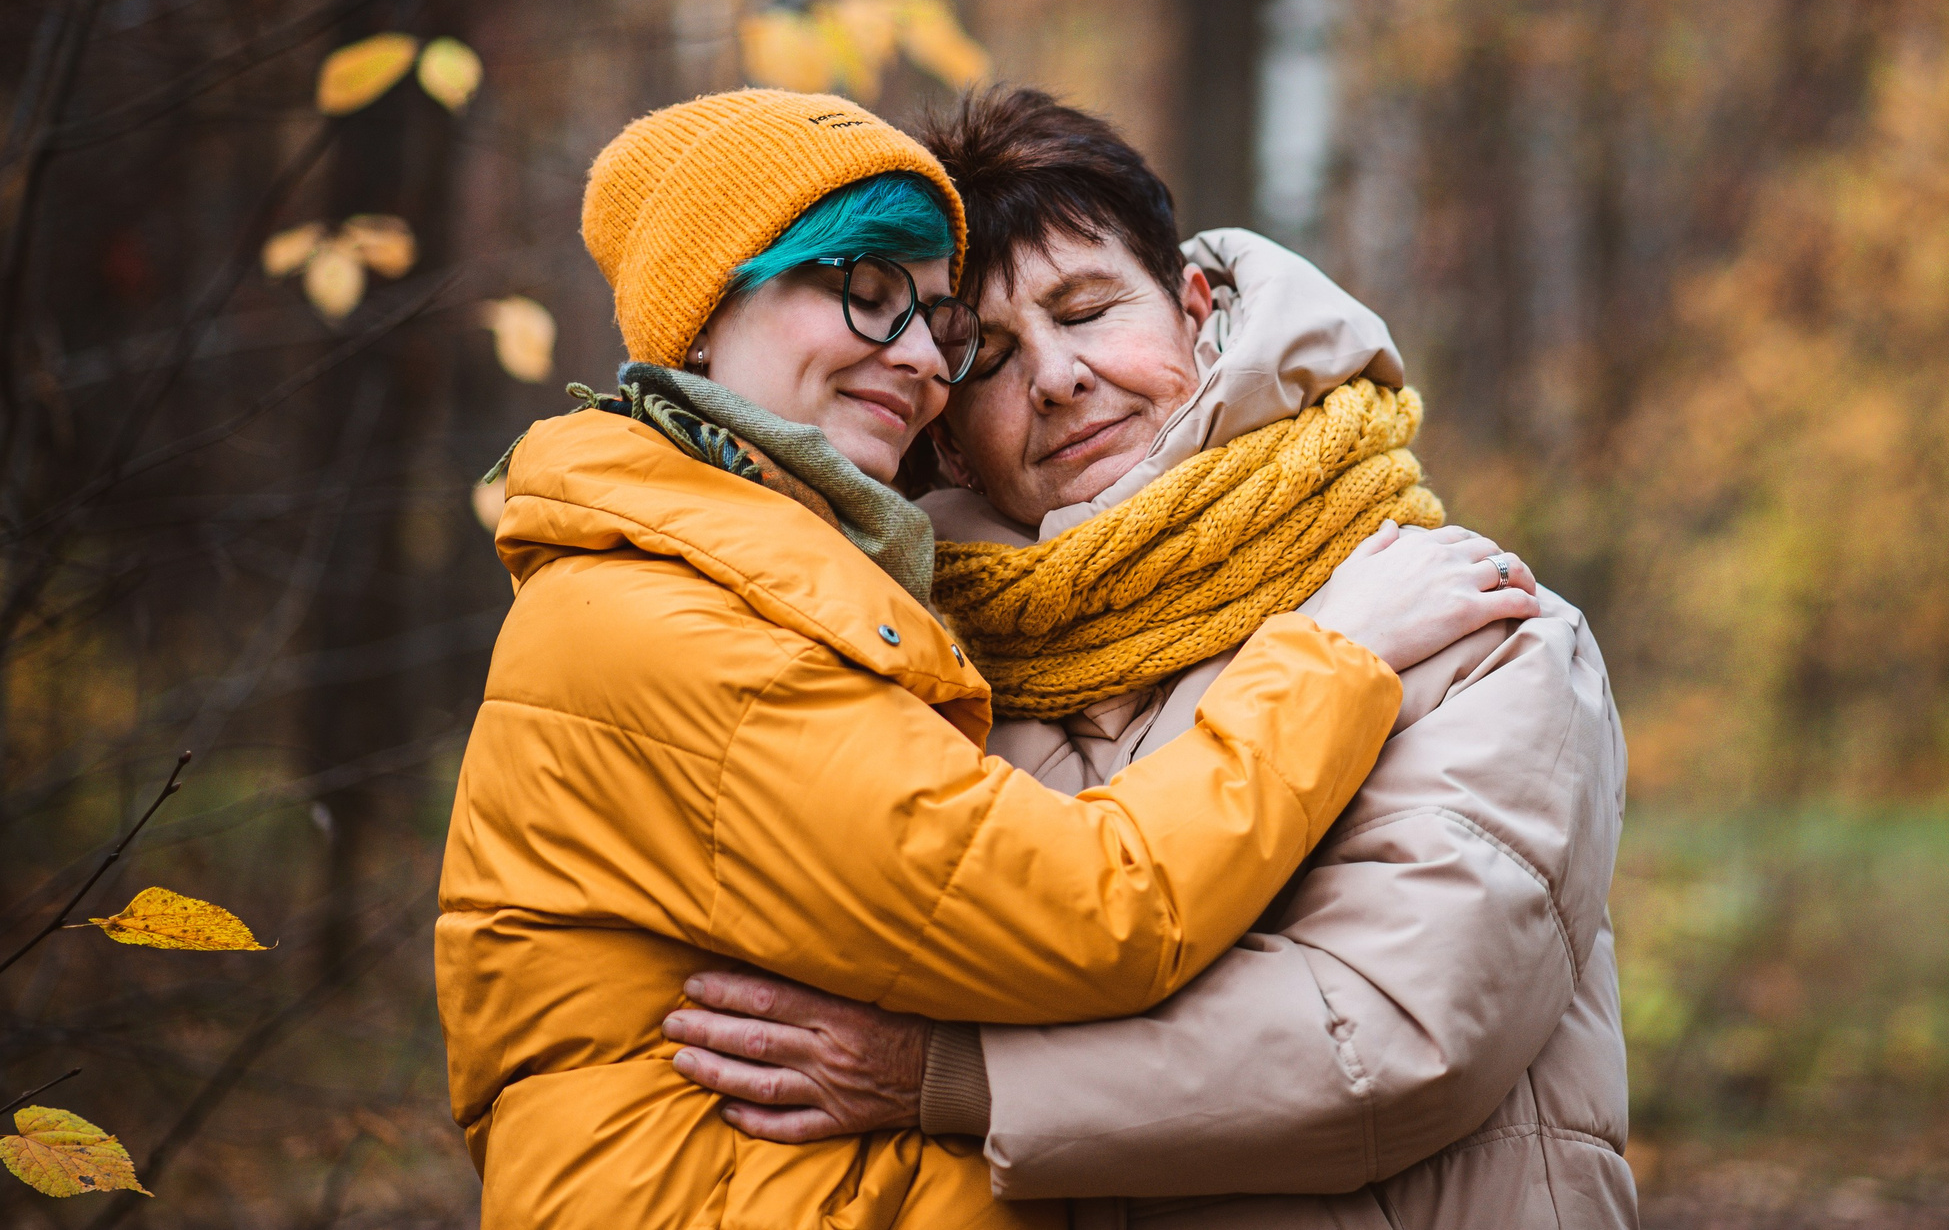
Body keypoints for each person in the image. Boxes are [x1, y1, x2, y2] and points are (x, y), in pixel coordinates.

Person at [436, 88, 1539, 1230]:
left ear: (1194, 310)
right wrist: (1333, 656)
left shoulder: (1464, 612)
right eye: (871, 298)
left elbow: (1402, 1030)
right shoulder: (692, 621)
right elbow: (1094, 909)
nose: (918, 356)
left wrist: (945, 1076)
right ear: (705, 315)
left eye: (931, 321)